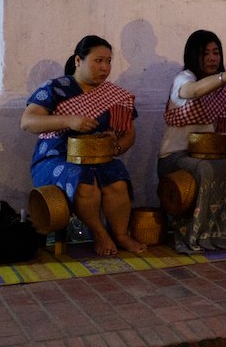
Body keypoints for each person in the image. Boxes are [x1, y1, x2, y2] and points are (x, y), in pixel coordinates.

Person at [21, 36, 145, 256]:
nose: (105, 67)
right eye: (98, 60)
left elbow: (129, 134)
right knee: (83, 179)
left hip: (100, 159)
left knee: (117, 178)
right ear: (78, 60)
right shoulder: (55, 88)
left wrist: (115, 147)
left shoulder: (116, 96)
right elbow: (28, 122)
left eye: (108, 61)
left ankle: (121, 235)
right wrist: (69, 121)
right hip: (55, 159)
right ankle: (99, 233)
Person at [157, 30, 226, 251]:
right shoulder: (185, 78)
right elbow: (192, 91)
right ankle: (192, 236)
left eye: (216, 52)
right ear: (194, 56)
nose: (212, 58)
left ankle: (223, 234)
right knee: (206, 169)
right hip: (174, 157)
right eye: (205, 53)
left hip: (206, 154)